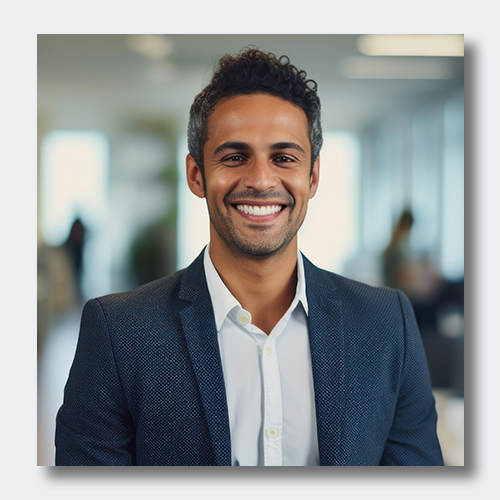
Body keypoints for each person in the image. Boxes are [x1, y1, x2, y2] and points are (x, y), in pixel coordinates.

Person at [55, 48, 443, 466]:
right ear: (196, 174)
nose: (260, 180)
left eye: (284, 158)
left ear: (312, 176)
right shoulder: (120, 333)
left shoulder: (386, 325)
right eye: (235, 157)